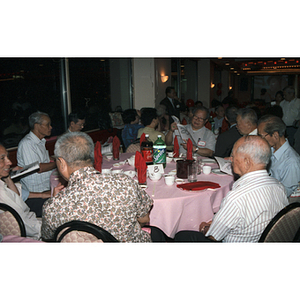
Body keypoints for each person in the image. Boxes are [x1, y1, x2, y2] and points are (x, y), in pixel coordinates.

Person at [41, 132, 167, 242]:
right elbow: (144, 219)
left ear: (62, 163)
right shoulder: (125, 183)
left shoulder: (53, 207)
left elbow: (49, 237)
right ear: (94, 156)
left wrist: (55, 200)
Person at [174, 135, 289, 242]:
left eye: (233, 156)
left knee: (181, 235)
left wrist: (205, 228)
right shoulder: (278, 186)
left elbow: (213, 236)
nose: (230, 159)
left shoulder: (237, 197)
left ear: (247, 162)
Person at [0, 143, 42, 239]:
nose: (10, 162)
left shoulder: (2, 182)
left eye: (7, 157)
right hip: (29, 233)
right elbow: (27, 225)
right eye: (2, 158)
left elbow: (16, 196)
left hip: (29, 223)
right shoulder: (2, 193)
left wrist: (7, 177)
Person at [257, 115, 300, 198]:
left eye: (261, 136)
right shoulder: (271, 149)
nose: (260, 139)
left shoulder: (291, 161)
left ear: (275, 135)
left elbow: (285, 193)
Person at [17, 112, 56, 194]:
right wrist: (57, 164)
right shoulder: (27, 144)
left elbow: (44, 158)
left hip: (45, 185)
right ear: (37, 126)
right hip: (37, 190)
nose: (51, 127)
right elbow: (38, 168)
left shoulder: (40, 141)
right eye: (47, 125)